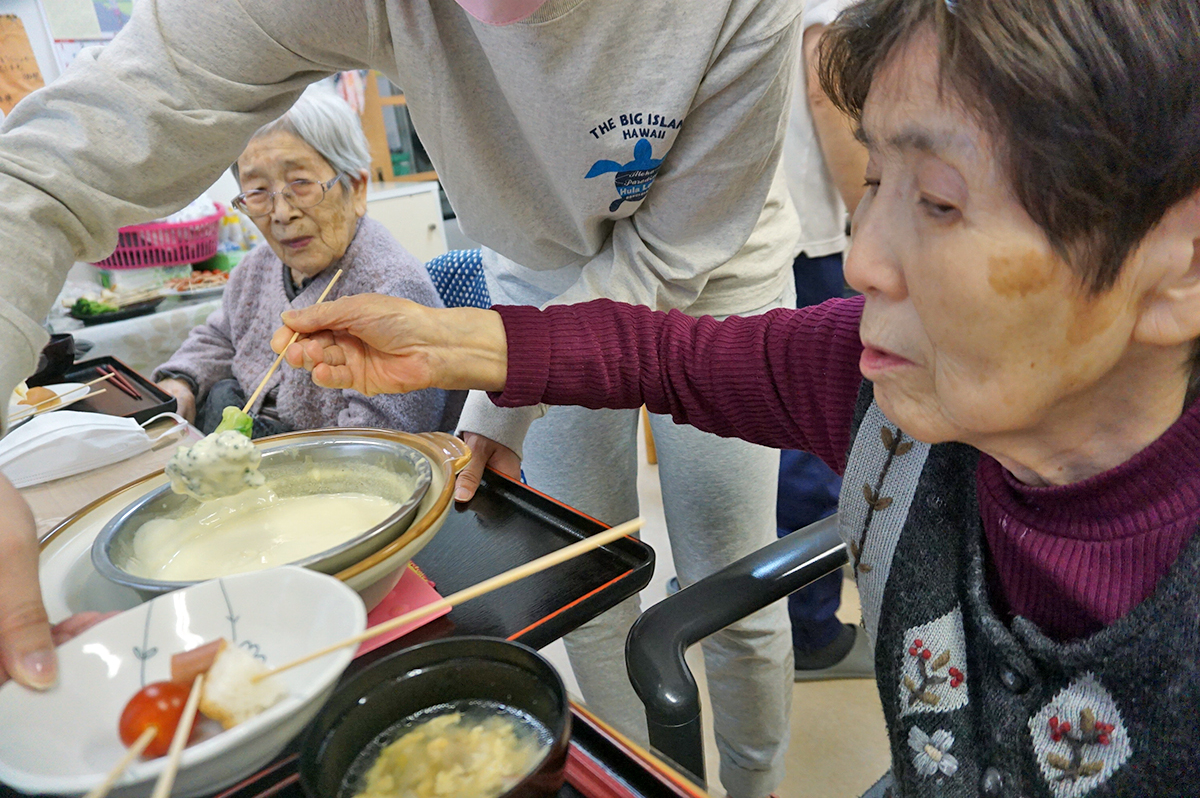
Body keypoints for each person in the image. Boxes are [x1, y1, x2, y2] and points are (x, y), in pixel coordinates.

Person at [272, 0, 1200, 793]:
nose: (865, 257)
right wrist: (446, 342)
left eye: (943, 202)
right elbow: (669, 356)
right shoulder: (880, 380)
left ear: (1179, 264)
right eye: (872, 179)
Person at [0, 1, 801, 793]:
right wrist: (500, 388)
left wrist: (499, 388)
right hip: (532, 276)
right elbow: (57, 159)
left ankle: (754, 783)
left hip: (713, 274)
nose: (280, 210)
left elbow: (671, 255)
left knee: (728, 581)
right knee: (583, 576)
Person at [154, 89, 449, 438]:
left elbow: (380, 441)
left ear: (355, 189)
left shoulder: (393, 289)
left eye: (301, 184)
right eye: (258, 192)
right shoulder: (255, 268)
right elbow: (220, 337)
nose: (281, 213)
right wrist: (181, 382)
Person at [777, 0, 871, 682]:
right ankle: (809, 631)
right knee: (819, 434)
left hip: (753, 239)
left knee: (758, 424)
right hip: (814, 237)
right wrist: (873, 221)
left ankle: (751, 603)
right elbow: (826, 92)